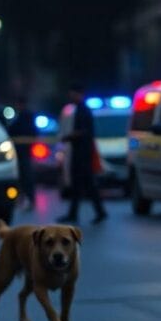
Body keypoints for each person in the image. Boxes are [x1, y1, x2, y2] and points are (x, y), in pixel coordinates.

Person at [57, 83, 107, 225]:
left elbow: (84, 132)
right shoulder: (78, 110)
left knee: (88, 185)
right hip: (79, 153)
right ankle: (75, 213)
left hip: (83, 154)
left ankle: (99, 212)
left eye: (73, 93)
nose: (71, 96)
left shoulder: (83, 110)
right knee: (78, 186)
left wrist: (69, 136)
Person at [8, 96, 37, 210]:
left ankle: (28, 199)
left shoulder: (25, 117)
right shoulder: (18, 117)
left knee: (26, 176)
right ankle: (23, 198)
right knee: (21, 176)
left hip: (23, 150)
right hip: (19, 151)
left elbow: (30, 132)